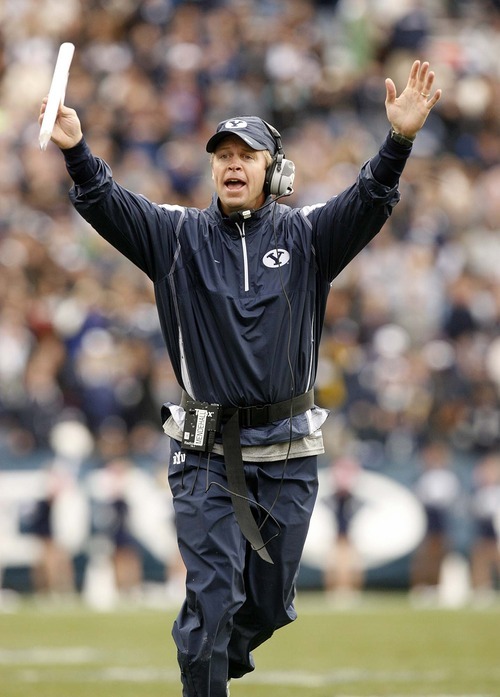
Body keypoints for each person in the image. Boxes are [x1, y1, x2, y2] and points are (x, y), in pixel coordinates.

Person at [39, 59, 441, 697]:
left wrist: (398, 143)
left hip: (288, 452)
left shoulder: (308, 236)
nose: (231, 163)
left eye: (246, 154)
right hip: (204, 451)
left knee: (271, 605)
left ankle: (210, 653)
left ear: (272, 169)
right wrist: (76, 149)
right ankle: (203, 656)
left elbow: (368, 201)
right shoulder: (177, 237)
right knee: (211, 603)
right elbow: (109, 204)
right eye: (221, 154)